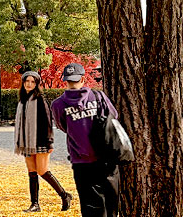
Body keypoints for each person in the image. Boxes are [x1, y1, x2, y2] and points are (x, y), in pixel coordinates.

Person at [51, 63, 121, 217]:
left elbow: (63, 127)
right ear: (83, 79)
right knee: (111, 209)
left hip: (82, 164)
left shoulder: (58, 105)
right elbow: (113, 117)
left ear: (66, 80)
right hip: (107, 160)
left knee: (91, 210)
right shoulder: (99, 96)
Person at [15, 71, 72, 212]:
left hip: (40, 141)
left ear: (36, 84)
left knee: (42, 170)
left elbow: (47, 122)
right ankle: (35, 204)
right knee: (32, 172)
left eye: (32, 82)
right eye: (27, 81)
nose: (29, 84)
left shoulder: (40, 100)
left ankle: (65, 195)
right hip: (26, 142)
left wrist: (49, 142)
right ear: (23, 83)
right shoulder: (22, 101)